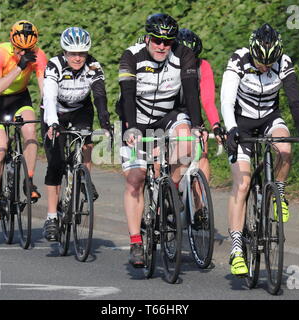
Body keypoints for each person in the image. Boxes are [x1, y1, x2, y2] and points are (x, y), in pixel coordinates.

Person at [220, 23, 299, 276]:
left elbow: (294, 99)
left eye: (269, 63)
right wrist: (231, 130)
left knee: (284, 149)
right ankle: (237, 249)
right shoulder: (238, 60)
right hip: (242, 123)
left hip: (270, 117)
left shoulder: (282, 62)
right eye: (261, 62)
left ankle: (279, 193)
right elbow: (227, 100)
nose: (265, 67)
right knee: (242, 184)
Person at [117, 13, 203, 267]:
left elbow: (191, 92)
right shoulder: (130, 56)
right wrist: (131, 129)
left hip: (168, 116)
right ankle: (135, 242)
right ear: (147, 37)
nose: (162, 46)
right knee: (136, 179)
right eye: (156, 40)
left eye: (167, 42)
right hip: (136, 118)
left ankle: (170, 189)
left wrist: (198, 125)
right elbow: (128, 94)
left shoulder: (184, 55)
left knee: (187, 141)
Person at [41, 27, 111, 241]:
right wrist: (52, 122)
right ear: (65, 52)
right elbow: (50, 97)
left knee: (86, 143)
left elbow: (99, 95)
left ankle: (83, 177)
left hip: (81, 109)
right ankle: (52, 216)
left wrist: (105, 121)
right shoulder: (54, 65)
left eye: (82, 53)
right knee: (56, 161)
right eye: (73, 53)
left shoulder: (93, 66)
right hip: (56, 113)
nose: (78, 58)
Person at [0, 20, 47, 223]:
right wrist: (19, 67)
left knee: (31, 133)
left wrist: (49, 111)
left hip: (19, 97)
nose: (22, 53)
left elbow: (44, 87)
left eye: (27, 50)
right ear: (12, 43)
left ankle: (29, 181)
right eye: (18, 50)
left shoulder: (38, 55)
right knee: (0, 149)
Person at [176, 28, 223, 183]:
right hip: (168, 113)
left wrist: (215, 125)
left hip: (191, 112)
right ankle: (170, 195)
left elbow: (208, 100)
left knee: (201, 154)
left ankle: (201, 205)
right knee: (169, 158)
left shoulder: (203, 66)